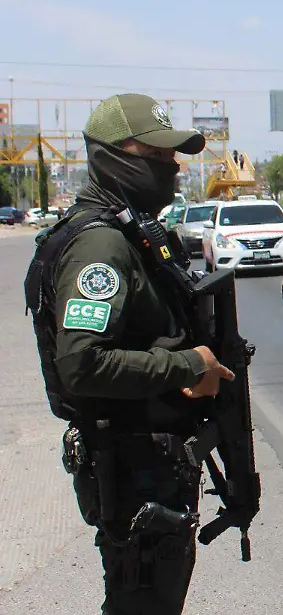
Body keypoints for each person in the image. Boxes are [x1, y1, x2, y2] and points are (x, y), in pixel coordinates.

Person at [24, 93, 236, 613]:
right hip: (134, 465)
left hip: (148, 461)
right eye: (157, 156)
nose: (172, 168)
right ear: (113, 156)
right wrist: (189, 365)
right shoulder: (101, 247)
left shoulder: (129, 232)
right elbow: (82, 364)